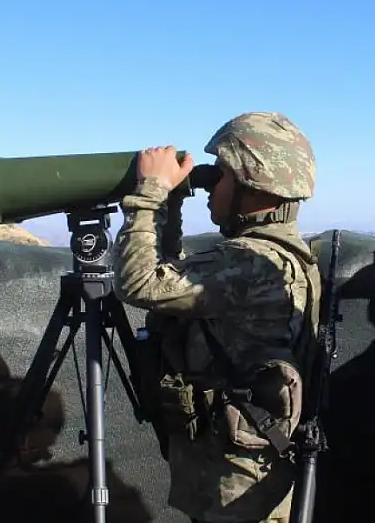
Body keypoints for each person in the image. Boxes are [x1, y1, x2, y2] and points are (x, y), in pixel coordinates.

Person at [113, 111, 321, 523]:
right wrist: (171, 206)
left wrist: (150, 191)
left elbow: (139, 283)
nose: (210, 184)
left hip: (239, 486)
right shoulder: (272, 256)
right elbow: (174, 282)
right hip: (244, 468)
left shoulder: (252, 263)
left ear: (254, 187)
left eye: (221, 174)